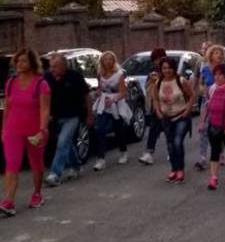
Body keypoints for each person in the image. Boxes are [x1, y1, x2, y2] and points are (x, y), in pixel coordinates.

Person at [0, 49, 51, 216]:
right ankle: (8, 201)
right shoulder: (10, 83)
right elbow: (7, 107)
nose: (20, 64)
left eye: (24, 61)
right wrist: (3, 128)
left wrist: (42, 130)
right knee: (12, 164)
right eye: (18, 61)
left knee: (36, 165)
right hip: (12, 130)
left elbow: (45, 110)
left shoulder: (41, 84)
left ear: (32, 63)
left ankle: (37, 194)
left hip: (34, 131)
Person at [44, 53, 93, 186]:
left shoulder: (75, 77)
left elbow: (87, 96)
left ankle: (55, 174)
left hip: (72, 116)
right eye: (50, 66)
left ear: (63, 67)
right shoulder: (46, 78)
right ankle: (77, 166)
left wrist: (90, 114)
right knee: (67, 143)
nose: (51, 69)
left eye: (54, 67)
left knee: (62, 142)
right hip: (54, 117)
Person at [154, 57, 195, 183]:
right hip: (166, 118)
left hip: (181, 116)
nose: (167, 71)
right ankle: (173, 168)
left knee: (177, 142)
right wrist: (158, 111)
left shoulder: (180, 80)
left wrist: (188, 110)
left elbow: (192, 95)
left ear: (174, 68)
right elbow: (155, 99)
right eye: (164, 68)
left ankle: (180, 170)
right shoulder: (158, 82)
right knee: (170, 144)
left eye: (169, 68)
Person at [92, 51, 132, 171]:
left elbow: (123, 93)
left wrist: (114, 99)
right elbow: (100, 87)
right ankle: (101, 159)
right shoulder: (100, 74)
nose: (108, 62)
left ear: (114, 61)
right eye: (105, 59)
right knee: (100, 129)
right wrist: (98, 92)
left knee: (118, 129)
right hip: (104, 103)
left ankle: (123, 152)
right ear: (102, 61)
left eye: (110, 59)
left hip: (116, 103)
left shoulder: (119, 74)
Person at [204, 64, 225, 190]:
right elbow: (208, 106)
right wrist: (203, 122)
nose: (217, 77)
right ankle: (213, 177)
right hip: (214, 125)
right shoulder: (212, 89)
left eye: (220, 75)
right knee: (214, 151)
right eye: (215, 75)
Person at [196, 44, 225, 171]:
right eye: (216, 53)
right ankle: (202, 157)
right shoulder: (206, 69)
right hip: (207, 101)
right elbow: (201, 83)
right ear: (210, 55)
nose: (218, 55)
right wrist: (202, 90)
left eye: (220, 53)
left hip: (221, 102)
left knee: (220, 129)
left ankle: (220, 153)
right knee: (203, 129)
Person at [138, 48, 168, 165]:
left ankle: (173, 151)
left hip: (170, 106)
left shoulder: (170, 69)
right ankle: (149, 153)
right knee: (153, 128)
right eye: (155, 60)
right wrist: (152, 81)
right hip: (157, 105)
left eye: (160, 58)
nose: (158, 62)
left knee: (169, 130)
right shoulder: (152, 72)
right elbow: (148, 90)